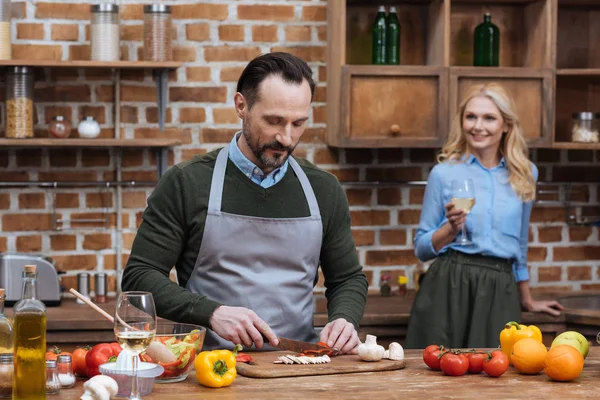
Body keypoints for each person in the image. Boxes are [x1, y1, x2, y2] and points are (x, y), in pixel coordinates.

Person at [121, 52, 368, 354]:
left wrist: (345, 318)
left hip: (300, 366)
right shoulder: (187, 182)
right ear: (241, 106)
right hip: (210, 367)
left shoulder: (323, 189)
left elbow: (347, 278)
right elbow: (139, 278)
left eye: (298, 123)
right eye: (274, 121)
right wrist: (211, 312)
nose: (287, 138)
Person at [405, 82, 563, 349]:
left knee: (496, 379)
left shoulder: (525, 174)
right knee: (437, 382)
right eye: (471, 117)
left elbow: (519, 244)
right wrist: (450, 230)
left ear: (506, 125)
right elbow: (421, 249)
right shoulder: (444, 173)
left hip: (500, 288)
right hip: (448, 286)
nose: (478, 126)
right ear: (462, 121)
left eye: (489, 118)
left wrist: (527, 298)